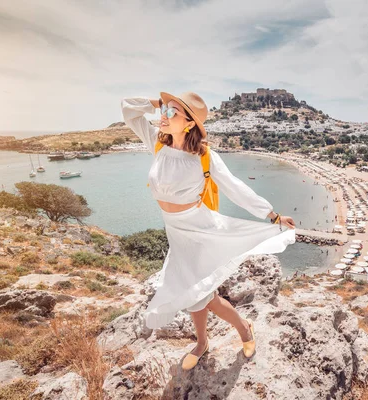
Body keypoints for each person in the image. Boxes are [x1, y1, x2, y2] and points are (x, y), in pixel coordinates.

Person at [121, 92, 296, 371]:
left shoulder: (204, 157)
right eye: (165, 111)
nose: (164, 117)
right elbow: (127, 107)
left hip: (201, 230)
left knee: (201, 294)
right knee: (195, 294)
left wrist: (272, 214)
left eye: (173, 112)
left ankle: (234, 333)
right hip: (176, 233)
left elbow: (235, 188)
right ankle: (209, 340)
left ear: (189, 122)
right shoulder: (156, 143)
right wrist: (158, 104)